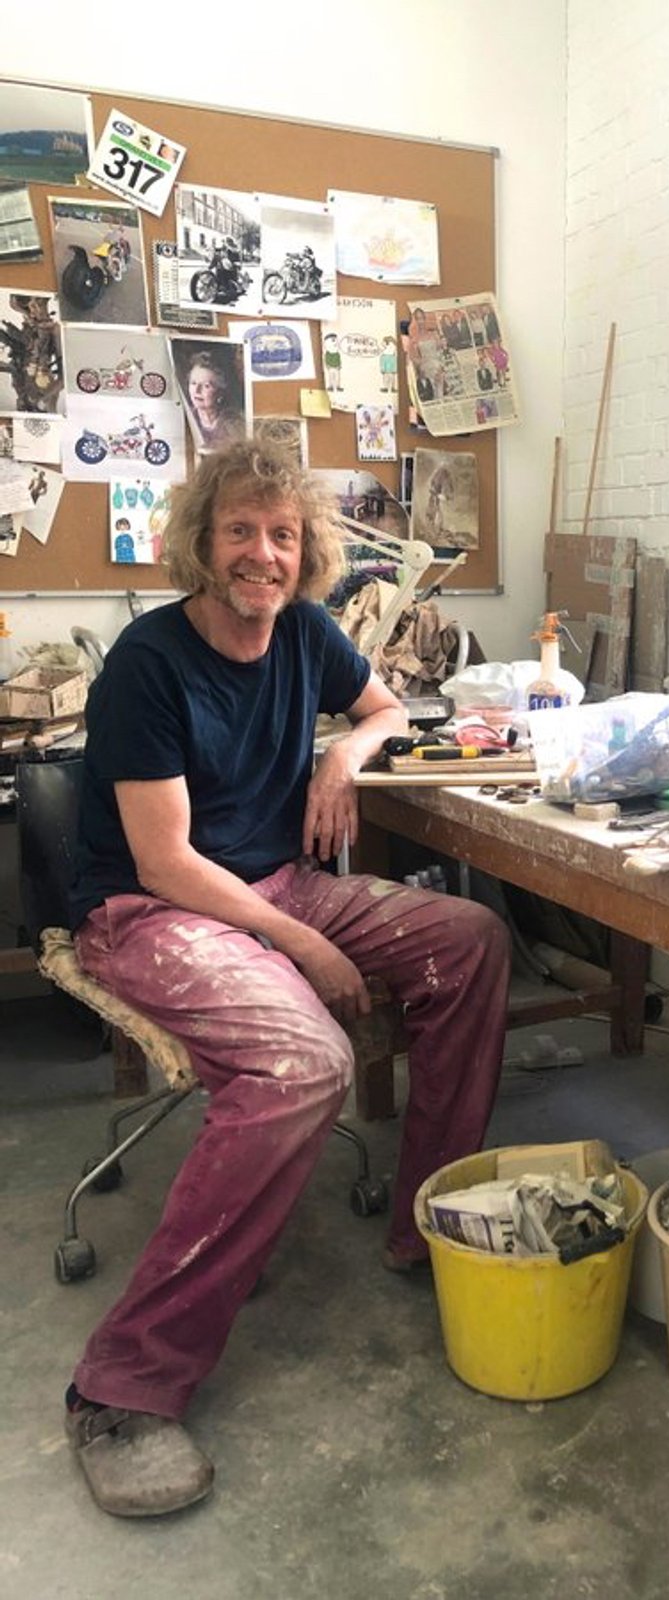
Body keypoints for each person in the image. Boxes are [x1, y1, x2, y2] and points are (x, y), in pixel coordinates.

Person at [61, 440, 510, 1519]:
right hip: (151, 911)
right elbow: (165, 860)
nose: (264, 554)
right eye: (241, 531)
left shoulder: (309, 631)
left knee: (475, 939)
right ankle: (121, 1386)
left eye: (284, 533)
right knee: (306, 1060)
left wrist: (337, 758)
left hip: (273, 883)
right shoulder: (149, 663)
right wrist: (303, 944)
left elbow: (390, 711)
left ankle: (428, 1227)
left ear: (305, 549)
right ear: (202, 544)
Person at [184, 350, 244, 451]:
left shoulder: (235, 425)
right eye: (193, 383)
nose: (197, 390)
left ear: (220, 392)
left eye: (206, 386)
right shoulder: (185, 420)